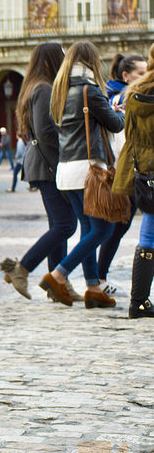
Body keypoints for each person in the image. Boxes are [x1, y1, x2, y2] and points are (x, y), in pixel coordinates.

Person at [38, 41, 124, 307]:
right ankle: (58, 274)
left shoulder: (59, 92)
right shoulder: (89, 90)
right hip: (88, 169)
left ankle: (93, 288)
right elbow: (115, 124)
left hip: (66, 170)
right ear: (91, 62)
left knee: (88, 228)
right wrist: (117, 112)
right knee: (103, 228)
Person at [0, 42, 81, 300]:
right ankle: (21, 269)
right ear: (51, 61)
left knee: (59, 224)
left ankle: (58, 284)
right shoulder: (43, 88)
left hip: (42, 162)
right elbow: (45, 131)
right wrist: (64, 161)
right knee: (66, 226)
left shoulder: (34, 86)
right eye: (62, 57)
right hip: (49, 163)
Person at [97, 53, 146, 296]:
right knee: (118, 226)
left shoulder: (118, 95)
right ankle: (98, 276)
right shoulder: (128, 97)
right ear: (126, 75)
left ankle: (98, 275)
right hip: (131, 169)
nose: (145, 76)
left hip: (130, 168)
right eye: (140, 73)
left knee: (119, 226)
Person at [112, 43, 154, 318]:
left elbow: (130, 140)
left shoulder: (136, 93)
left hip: (147, 173)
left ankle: (138, 301)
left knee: (149, 232)